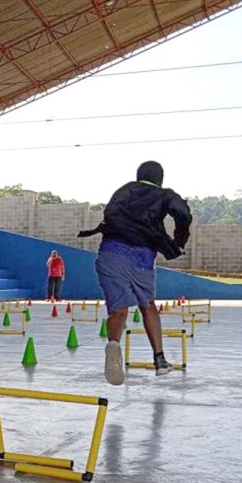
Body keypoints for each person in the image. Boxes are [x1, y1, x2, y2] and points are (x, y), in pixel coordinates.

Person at [80, 160, 191, 385]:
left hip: (110, 254)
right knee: (147, 305)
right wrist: (179, 241)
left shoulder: (123, 190)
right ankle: (160, 359)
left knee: (119, 311)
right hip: (140, 257)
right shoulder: (163, 194)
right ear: (160, 179)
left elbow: (110, 214)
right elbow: (183, 214)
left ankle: (113, 345)